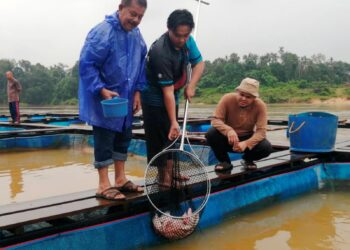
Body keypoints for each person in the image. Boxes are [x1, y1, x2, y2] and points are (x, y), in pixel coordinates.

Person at [79, 0, 147, 201]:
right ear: (120, 8)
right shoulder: (102, 32)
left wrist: (138, 93)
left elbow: (142, 63)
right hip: (104, 99)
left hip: (125, 99)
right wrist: (101, 89)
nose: (135, 20)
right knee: (104, 139)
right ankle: (103, 184)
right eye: (132, 14)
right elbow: (87, 65)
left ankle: (120, 179)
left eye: (140, 16)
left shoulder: (136, 35)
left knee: (123, 138)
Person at [141, 9, 205, 186]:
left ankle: (172, 174)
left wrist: (191, 85)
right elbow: (166, 92)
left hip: (173, 93)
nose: (182, 40)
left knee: (172, 135)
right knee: (161, 136)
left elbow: (199, 63)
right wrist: (173, 121)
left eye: (186, 35)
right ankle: (164, 179)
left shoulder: (188, 41)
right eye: (178, 35)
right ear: (169, 29)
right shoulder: (160, 52)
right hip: (154, 97)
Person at [205, 78, 273, 172]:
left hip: (246, 138)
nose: (243, 98)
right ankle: (225, 162)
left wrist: (246, 143)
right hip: (228, 138)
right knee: (211, 133)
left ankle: (248, 160)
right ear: (237, 92)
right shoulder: (227, 99)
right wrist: (229, 130)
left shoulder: (260, 106)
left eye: (248, 97)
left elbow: (261, 132)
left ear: (254, 98)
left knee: (266, 147)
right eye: (241, 94)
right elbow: (215, 120)